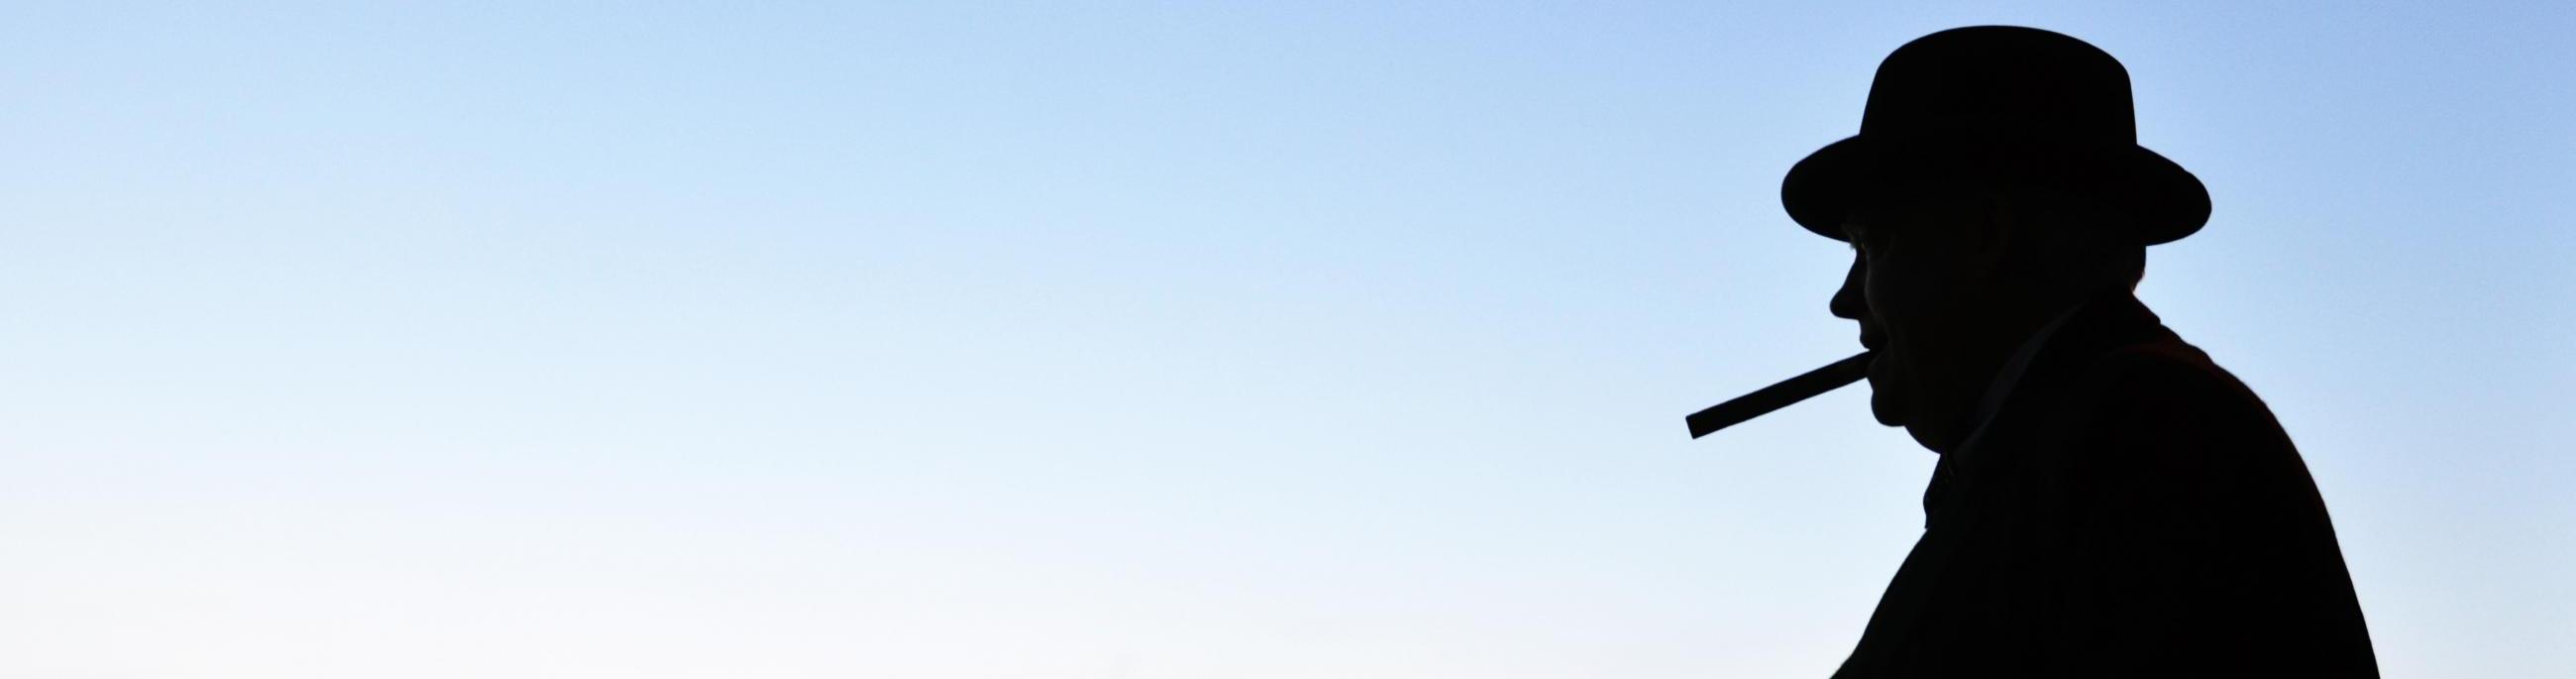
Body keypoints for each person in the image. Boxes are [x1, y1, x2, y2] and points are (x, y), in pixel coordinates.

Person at [1779, 27, 2380, 676]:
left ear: (1983, 237)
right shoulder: (2068, 445)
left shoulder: (2149, 436)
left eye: (1872, 247)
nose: (1846, 299)